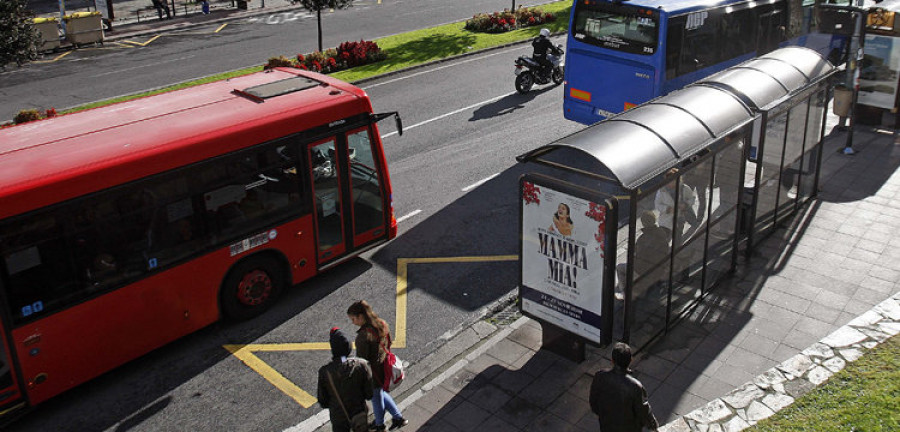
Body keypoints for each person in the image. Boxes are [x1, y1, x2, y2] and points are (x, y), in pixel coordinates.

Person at [347, 300, 409, 431]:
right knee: (381, 394)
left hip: (373, 373)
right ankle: (398, 418)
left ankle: (380, 425)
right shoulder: (382, 324)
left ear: (361, 316)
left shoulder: (363, 336)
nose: (352, 322)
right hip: (384, 367)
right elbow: (390, 342)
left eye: (353, 319)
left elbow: (362, 361)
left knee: (376, 399)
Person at [589, 342, 660, 432]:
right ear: (630, 360)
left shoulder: (600, 376)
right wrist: (654, 426)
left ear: (612, 360)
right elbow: (644, 412)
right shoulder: (635, 386)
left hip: (607, 426)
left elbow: (594, 403)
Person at [317, 328, 373, 432]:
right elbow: (369, 394)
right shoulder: (362, 365)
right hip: (359, 413)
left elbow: (323, 401)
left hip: (338, 418)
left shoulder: (325, 372)